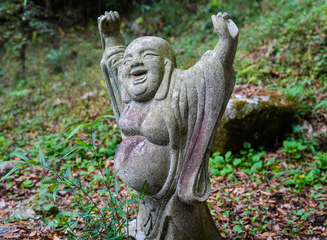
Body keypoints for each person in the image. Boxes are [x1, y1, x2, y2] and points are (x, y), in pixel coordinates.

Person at [98, 11, 238, 240]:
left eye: (147, 56)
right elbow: (115, 67)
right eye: (130, 59)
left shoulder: (179, 90)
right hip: (146, 201)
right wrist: (112, 36)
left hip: (175, 200)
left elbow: (210, 73)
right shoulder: (130, 96)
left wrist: (226, 41)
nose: (135, 63)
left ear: (166, 65)